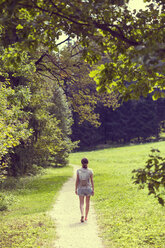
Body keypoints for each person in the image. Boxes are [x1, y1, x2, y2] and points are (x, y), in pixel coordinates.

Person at [75, 158, 94, 223]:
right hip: (88, 188)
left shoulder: (78, 171)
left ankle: (82, 214)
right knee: (87, 203)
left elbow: (77, 180)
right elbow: (92, 181)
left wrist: (75, 189)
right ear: (87, 163)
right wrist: (93, 189)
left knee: (81, 203)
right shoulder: (90, 171)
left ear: (81, 163)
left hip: (80, 188)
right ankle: (86, 217)